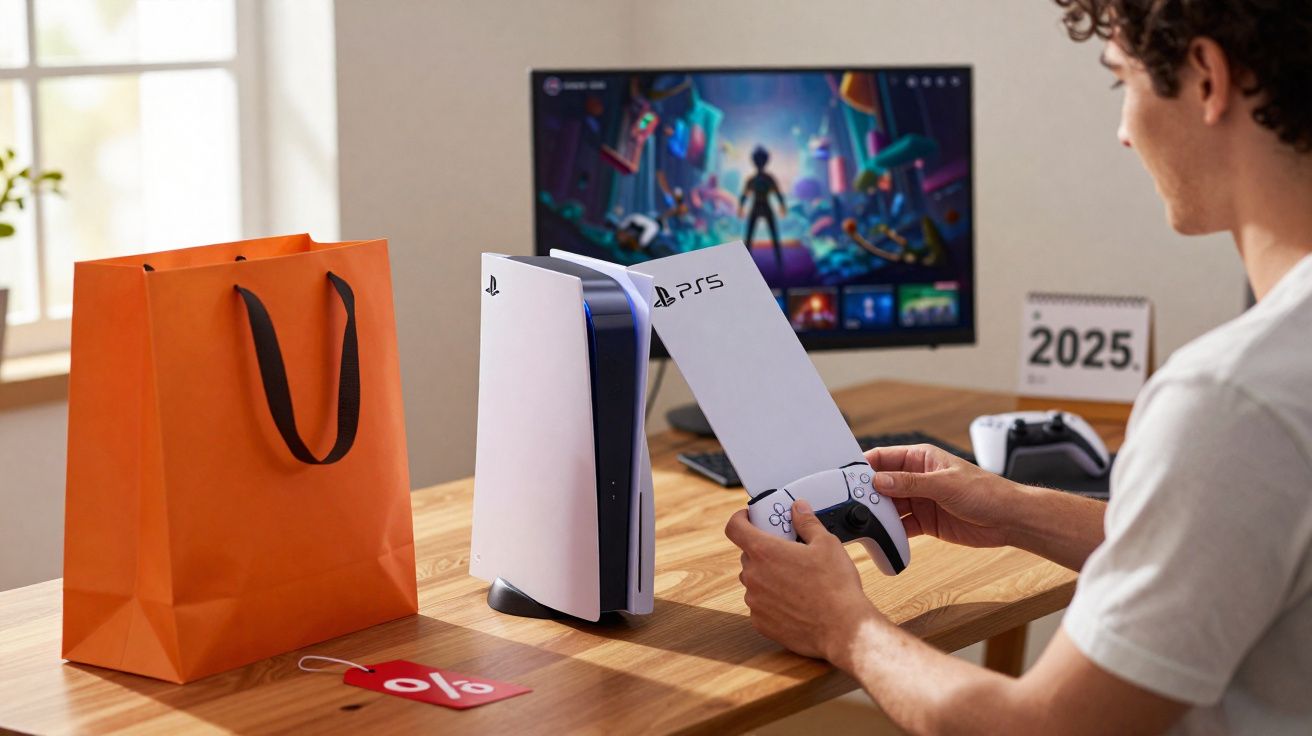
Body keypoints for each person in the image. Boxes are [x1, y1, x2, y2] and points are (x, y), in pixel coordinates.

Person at [725, 1, 1312, 733]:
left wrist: (842, 626)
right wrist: (1013, 509)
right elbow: (1233, 546)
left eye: (1122, 81)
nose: (1124, 131)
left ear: (1206, 78)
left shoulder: (1230, 400)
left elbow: (1039, 727)